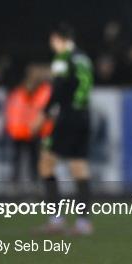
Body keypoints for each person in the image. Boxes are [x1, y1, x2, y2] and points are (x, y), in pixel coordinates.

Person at [33, 23, 94, 236]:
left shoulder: (62, 58)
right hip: (84, 115)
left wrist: (44, 114)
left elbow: (58, 89)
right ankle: (83, 223)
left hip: (67, 116)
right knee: (79, 167)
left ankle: (56, 219)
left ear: (57, 38)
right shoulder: (83, 58)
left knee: (46, 164)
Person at [5, 63, 52, 191]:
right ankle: (15, 187)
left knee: (34, 161)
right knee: (17, 162)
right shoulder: (19, 91)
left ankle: (35, 186)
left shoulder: (42, 91)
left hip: (34, 132)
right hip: (19, 132)